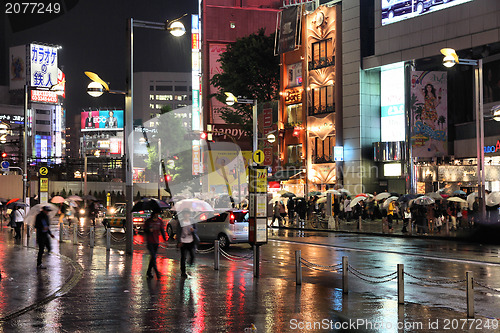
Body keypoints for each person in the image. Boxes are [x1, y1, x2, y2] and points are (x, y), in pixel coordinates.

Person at [144, 210, 167, 279]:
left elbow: (162, 230)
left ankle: (148, 271)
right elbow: (144, 229)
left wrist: (165, 238)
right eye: (155, 213)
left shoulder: (160, 221)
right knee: (153, 257)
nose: (156, 215)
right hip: (150, 241)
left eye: (157, 213)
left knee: (153, 258)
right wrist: (148, 230)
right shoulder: (148, 221)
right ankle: (157, 273)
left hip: (156, 242)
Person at [176, 209, 197, 278]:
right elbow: (178, 232)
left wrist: (193, 230)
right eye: (185, 214)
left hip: (191, 240)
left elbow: (196, 229)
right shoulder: (180, 222)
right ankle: (183, 271)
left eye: (187, 214)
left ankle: (189, 264)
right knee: (183, 257)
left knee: (192, 255)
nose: (186, 215)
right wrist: (179, 241)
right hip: (183, 241)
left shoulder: (192, 221)